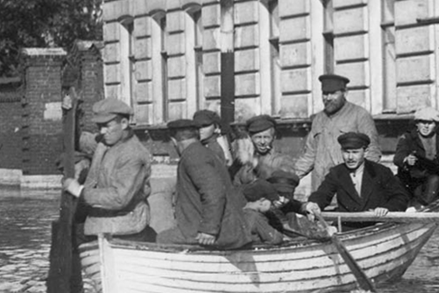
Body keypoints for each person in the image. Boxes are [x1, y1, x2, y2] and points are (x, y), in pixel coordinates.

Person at [63, 97, 155, 242]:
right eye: (99, 126)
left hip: (126, 229)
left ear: (124, 123)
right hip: (99, 225)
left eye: (107, 125)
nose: (102, 131)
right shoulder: (105, 142)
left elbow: (119, 198)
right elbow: (76, 141)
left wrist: (79, 191)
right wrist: (71, 114)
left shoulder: (134, 154)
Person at [159, 118, 251, 249]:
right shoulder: (203, 152)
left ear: (174, 140)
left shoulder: (193, 157)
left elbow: (214, 193)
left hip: (221, 233)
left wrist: (209, 230)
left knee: (163, 239)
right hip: (225, 228)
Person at [292, 73, 381, 189]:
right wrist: (289, 178)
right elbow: (309, 155)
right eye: (325, 93)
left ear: (345, 93)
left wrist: (360, 183)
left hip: (349, 189)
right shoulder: (318, 119)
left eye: (333, 93)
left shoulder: (360, 115)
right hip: (321, 189)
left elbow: (373, 152)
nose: (328, 98)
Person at [305, 131, 411, 227]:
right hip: (347, 226)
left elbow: (400, 197)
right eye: (346, 152)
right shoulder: (336, 173)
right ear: (341, 151)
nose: (350, 157)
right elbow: (323, 193)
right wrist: (314, 203)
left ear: (365, 152)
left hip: (377, 225)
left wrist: (386, 208)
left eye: (355, 152)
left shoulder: (381, 171)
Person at [394, 105, 439, 204]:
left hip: (429, 181)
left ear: (436, 125)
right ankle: (419, 205)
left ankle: (425, 205)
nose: (426, 126)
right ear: (417, 124)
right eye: (422, 122)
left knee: (436, 179)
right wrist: (406, 159)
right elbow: (398, 157)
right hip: (411, 180)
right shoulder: (408, 138)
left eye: (430, 123)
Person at [232, 114, 296, 189]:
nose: (262, 142)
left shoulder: (283, 160)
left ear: (274, 138)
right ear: (250, 138)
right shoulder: (243, 160)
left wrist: (256, 164)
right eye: (258, 137)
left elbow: (286, 179)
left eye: (266, 137)